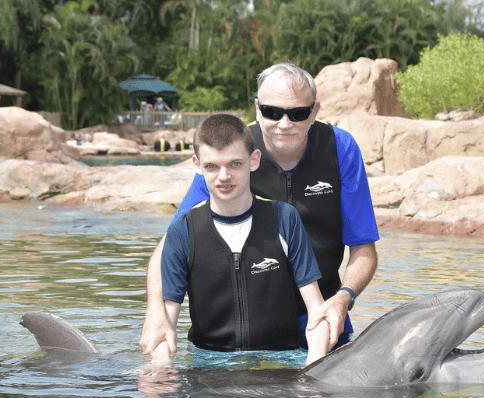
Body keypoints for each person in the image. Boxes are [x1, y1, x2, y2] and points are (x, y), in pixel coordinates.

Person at [140, 62, 379, 357]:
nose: (284, 123)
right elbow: (172, 244)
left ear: (315, 111)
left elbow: (364, 248)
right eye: (272, 112)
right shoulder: (234, 151)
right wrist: (155, 312)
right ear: (257, 107)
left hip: (321, 320)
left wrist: (344, 298)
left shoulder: (340, 148)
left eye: (298, 113)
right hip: (246, 331)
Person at [155, 113, 329, 365]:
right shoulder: (183, 231)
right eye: (212, 166)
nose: (223, 176)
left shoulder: (284, 219)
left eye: (235, 164)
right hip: (209, 361)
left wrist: (314, 367)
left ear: (254, 160)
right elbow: (165, 324)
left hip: (281, 359)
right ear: (196, 164)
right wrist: (160, 372)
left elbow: (317, 312)